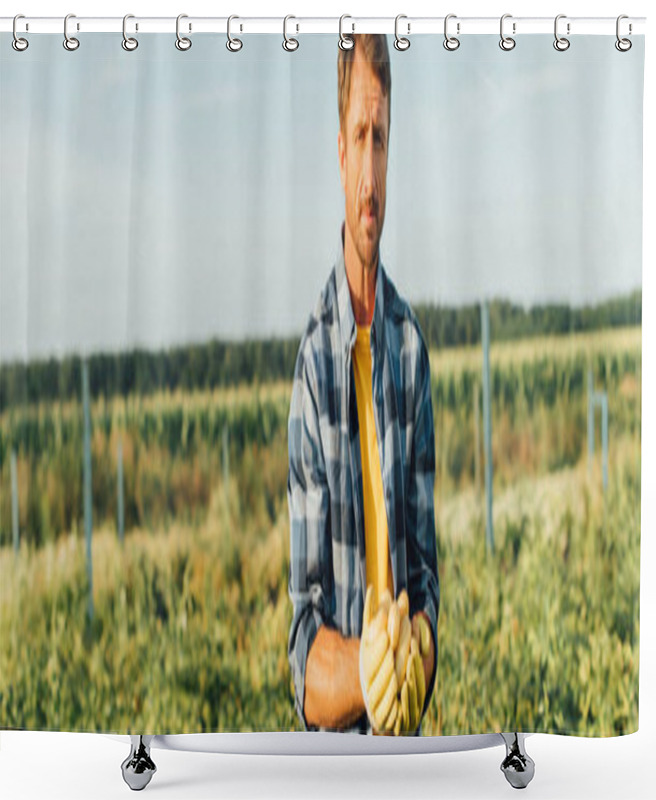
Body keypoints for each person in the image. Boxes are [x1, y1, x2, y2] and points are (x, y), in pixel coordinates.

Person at [287, 34, 439, 734]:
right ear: (339, 153)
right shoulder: (315, 364)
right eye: (359, 137)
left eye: (383, 139)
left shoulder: (410, 349)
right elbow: (304, 664)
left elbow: (425, 579)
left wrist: (420, 657)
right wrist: (369, 666)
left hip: (409, 753)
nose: (372, 174)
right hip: (334, 764)